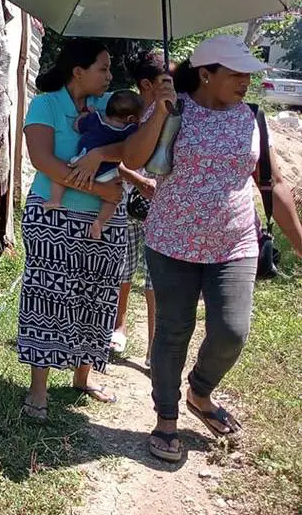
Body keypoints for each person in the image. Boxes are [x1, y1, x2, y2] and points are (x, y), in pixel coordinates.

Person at [123, 34, 302, 462]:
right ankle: (166, 418)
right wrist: (159, 111)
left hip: (234, 243)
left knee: (232, 331)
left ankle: (199, 392)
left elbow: (273, 183)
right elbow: (131, 157)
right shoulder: (172, 109)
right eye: (236, 74)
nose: (245, 82)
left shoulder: (252, 118)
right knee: (173, 331)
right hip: (172, 241)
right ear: (206, 74)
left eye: (248, 75)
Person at [19, 39, 129, 420]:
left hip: (103, 223)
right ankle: (38, 388)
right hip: (53, 217)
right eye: (103, 68)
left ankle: (83, 377)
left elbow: (136, 142)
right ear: (78, 72)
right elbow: (42, 160)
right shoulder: (45, 105)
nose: (109, 75)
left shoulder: (108, 105)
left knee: (97, 297)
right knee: (47, 297)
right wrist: (100, 189)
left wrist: (162, 92)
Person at [109, 51, 168, 363]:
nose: (173, 85)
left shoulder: (173, 113)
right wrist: (139, 179)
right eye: (166, 79)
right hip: (126, 200)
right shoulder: (127, 109)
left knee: (155, 275)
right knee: (123, 266)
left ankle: (153, 347)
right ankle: (118, 327)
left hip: (161, 205)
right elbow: (110, 154)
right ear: (147, 84)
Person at [45, 89, 143, 239]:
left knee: (59, 176)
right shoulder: (130, 130)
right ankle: (100, 222)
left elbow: (77, 126)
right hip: (108, 174)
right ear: (131, 118)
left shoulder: (95, 119)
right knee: (112, 200)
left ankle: (55, 200)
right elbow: (134, 146)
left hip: (81, 163)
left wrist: (85, 114)